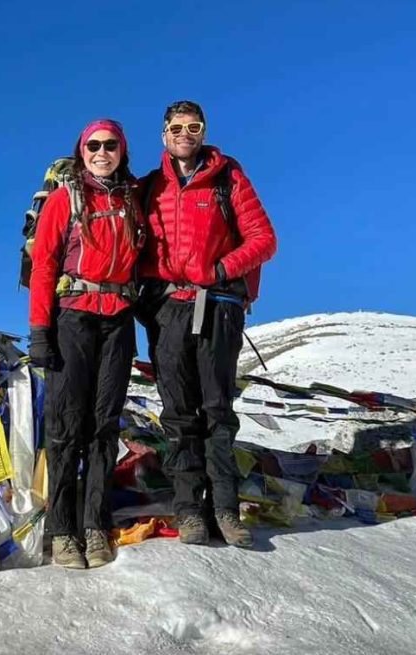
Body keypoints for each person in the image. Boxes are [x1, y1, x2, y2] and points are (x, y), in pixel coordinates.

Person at [137, 100, 277, 548]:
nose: (185, 134)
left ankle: (225, 510)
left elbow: (263, 239)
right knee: (178, 412)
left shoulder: (228, 176)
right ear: (164, 134)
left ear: (203, 132)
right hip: (168, 309)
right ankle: (189, 511)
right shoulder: (148, 186)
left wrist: (218, 271)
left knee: (217, 410)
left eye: (193, 127)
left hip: (217, 304)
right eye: (176, 127)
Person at [28, 119, 144, 569]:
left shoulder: (133, 200)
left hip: (118, 321)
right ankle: (61, 530)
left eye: (110, 145)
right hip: (72, 318)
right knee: (65, 425)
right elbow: (43, 266)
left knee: (104, 425)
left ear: (122, 150)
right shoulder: (65, 198)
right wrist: (40, 330)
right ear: (82, 151)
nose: (102, 152)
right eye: (93, 145)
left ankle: (96, 525)